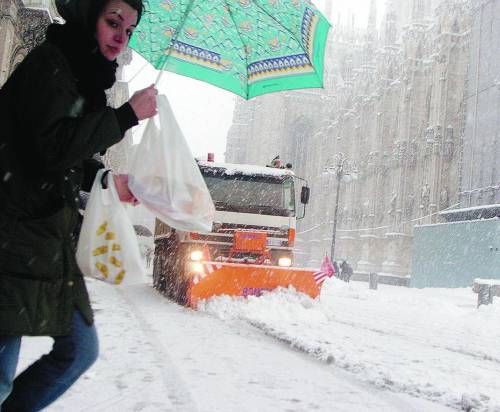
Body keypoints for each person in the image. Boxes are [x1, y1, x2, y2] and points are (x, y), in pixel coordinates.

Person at [0, 0, 157, 410]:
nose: (122, 36)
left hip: (40, 244)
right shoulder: (51, 67)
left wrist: (107, 180)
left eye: (130, 29)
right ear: (90, 18)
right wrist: (125, 116)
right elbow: (49, 149)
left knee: (78, 350)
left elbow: (61, 152)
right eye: (113, 22)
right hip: (13, 242)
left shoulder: (79, 76)